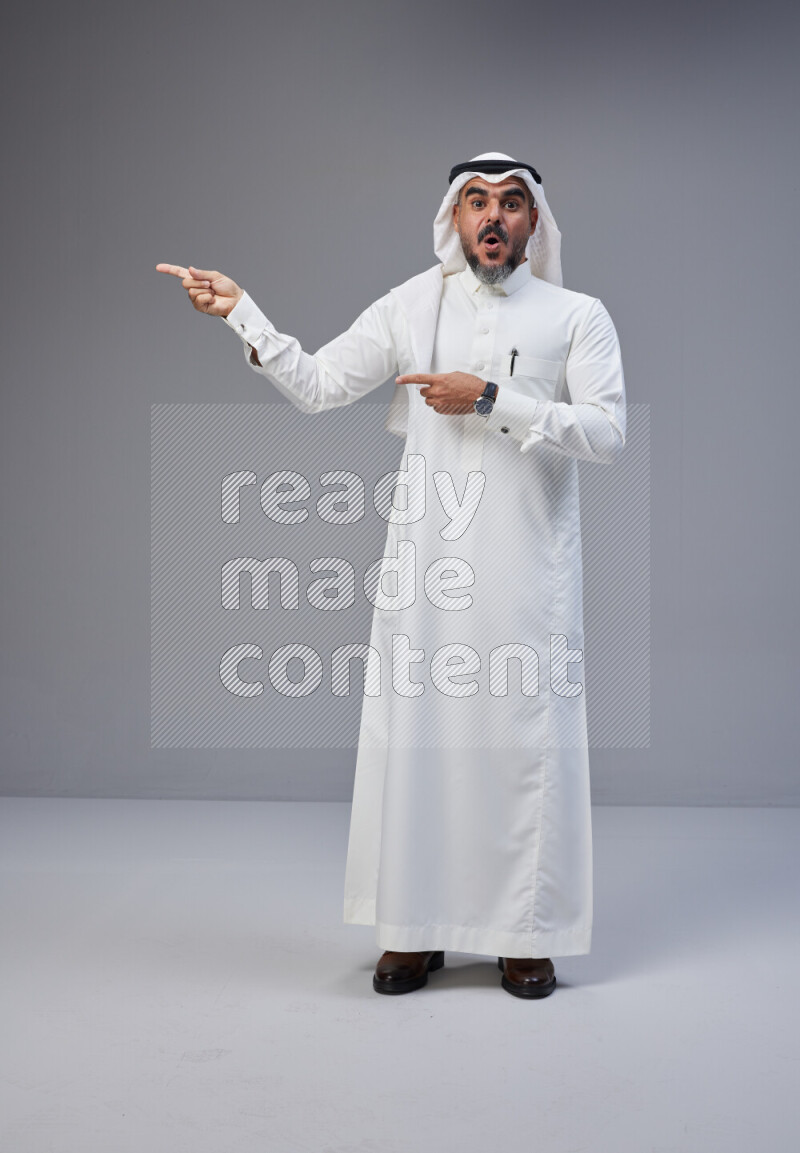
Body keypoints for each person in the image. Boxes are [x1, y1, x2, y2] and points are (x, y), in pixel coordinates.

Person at [156, 151, 626, 1000]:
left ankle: (524, 933)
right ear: (453, 217)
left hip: (529, 573)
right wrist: (242, 315)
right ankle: (413, 929)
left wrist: (492, 397)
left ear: (535, 223)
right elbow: (322, 383)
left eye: (512, 204)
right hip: (428, 569)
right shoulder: (414, 304)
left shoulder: (576, 315)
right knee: (421, 744)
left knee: (522, 743)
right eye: (477, 201)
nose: (493, 217)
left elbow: (606, 432)